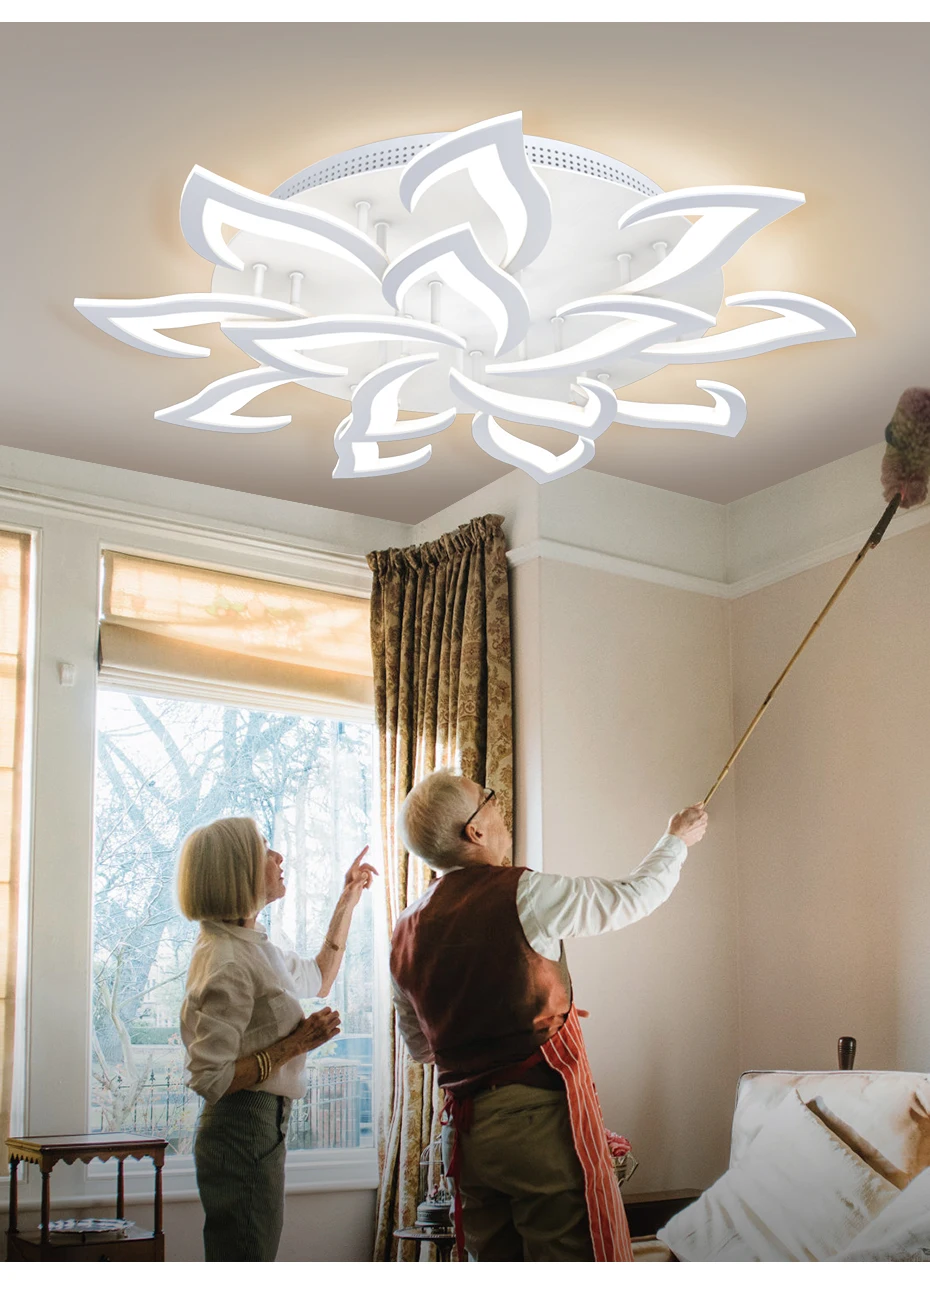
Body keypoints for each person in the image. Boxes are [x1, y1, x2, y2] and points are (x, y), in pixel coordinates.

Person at [390, 770, 708, 1262]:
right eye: (489, 799)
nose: (498, 808)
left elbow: (421, 1047)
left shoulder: (403, 931)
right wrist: (676, 840)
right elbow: (633, 896)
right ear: (475, 831)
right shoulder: (523, 893)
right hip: (536, 1126)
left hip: (467, 1137)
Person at [177, 816, 376, 1261]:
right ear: (238, 871)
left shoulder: (249, 946)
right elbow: (211, 1079)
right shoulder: (229, 960)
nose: (279, 857)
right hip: (242, 1125)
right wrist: (297, 1044)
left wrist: (348, 898)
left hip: (261, 1125)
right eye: (265, 849)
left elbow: (320, 977)